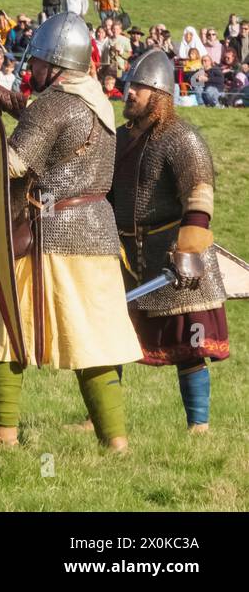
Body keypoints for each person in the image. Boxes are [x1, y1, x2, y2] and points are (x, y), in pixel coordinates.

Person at [0, 12, 141, 451]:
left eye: (38, 63)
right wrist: (11, 104)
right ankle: (115, 440)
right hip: (97, 234)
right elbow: (60, 135)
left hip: (48, 234)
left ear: (54, 63)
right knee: (94, 340)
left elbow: (13, 163)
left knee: (3, 324)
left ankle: (2, 433)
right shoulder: (97, 105)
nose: (33, 70)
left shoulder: (52, 105)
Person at [111, 50, 229, 431]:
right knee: (108, 335)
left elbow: (199, 193)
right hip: (127, 255)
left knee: (189, 347)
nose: (130, 93)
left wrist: (190, 246)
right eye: (130, 86)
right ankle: (99, 419)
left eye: (140, 88)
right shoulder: (119, 140)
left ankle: (199, 424)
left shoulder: (181, 138)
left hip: (173, 253)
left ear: (159, 95)